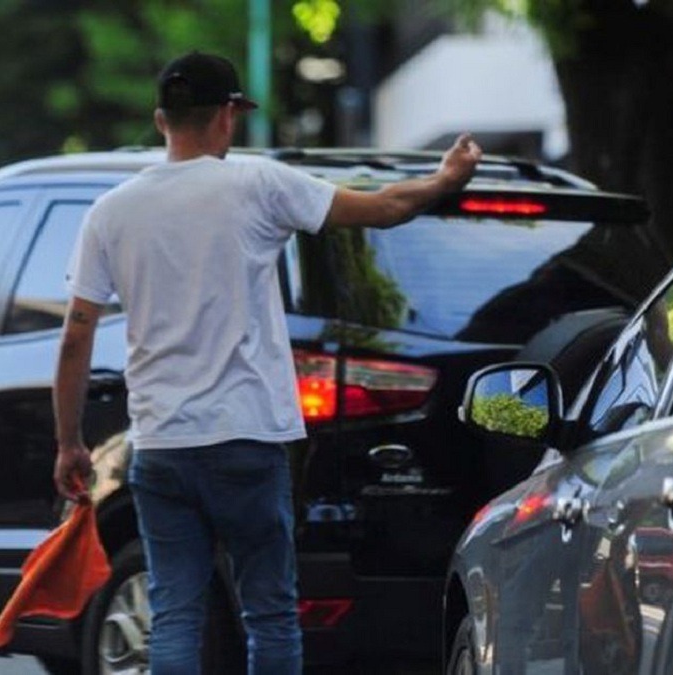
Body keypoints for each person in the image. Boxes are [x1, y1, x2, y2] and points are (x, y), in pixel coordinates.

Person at [51, 51, 482, 674]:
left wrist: (70, 443)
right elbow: (385, 207)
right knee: (270, 613)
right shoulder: (258, 185)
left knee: (175, 613)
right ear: (227, 116)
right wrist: (445, 179)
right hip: (246, 438)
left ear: (161, 120)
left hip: (162, 443)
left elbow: (76, 336)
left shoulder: (111, 212)